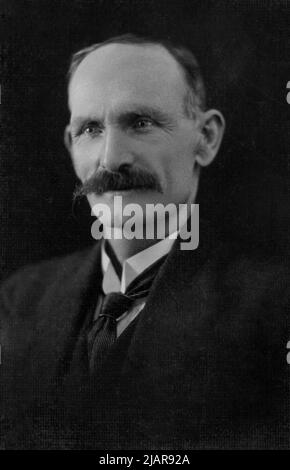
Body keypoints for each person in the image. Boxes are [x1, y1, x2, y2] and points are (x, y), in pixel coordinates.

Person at [0, 34, 289, 450]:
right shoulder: (18, 302)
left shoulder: (273, 308)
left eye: (140, 123)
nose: (111, 158)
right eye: (90, 129)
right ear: (70, 146)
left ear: (206, 138)